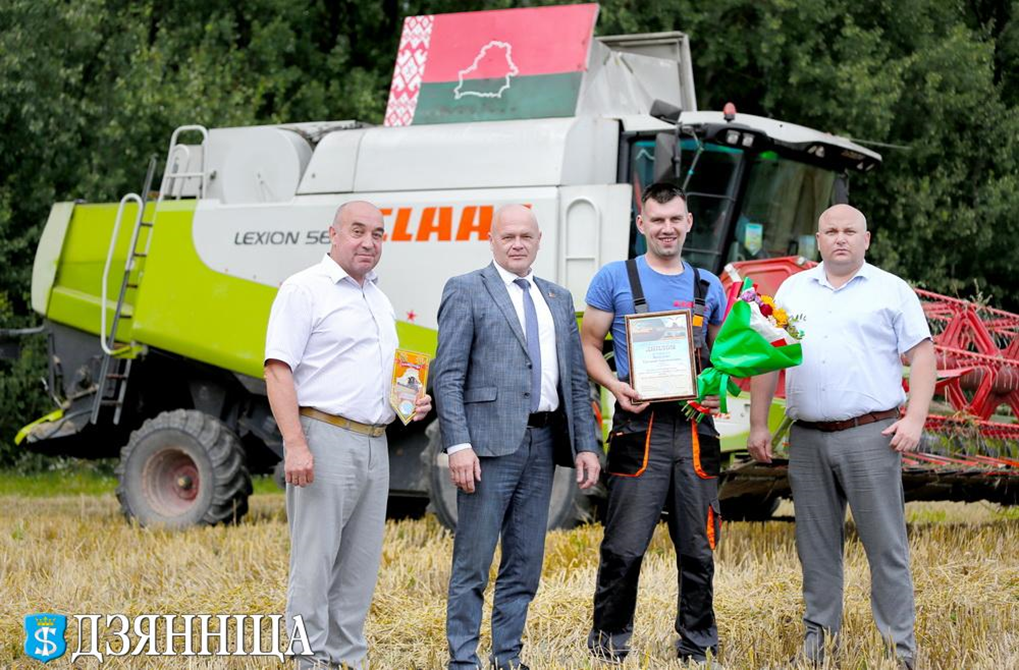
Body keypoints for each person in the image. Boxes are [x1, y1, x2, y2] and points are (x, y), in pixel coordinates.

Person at [747, 204, 936, 670]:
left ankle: (899, 654)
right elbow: (770, 357)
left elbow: (923, 355)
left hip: (871, 435)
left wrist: (914, 419)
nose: (840, 238)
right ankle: (818, 650)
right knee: (815, 550)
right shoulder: (793, 290)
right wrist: (758, 424)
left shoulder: (891, 290)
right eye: (830, 230)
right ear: (818, 239)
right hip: (808, 439)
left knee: (886, 549)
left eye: (850, 230)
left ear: (866, 239)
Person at [264, 200, 432, 670]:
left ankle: (346, 659)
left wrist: (408, 403)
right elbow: (277, 370)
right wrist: (296, 443)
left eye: (378, 234)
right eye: (358, 231)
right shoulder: (304, 289)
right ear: (333, 234)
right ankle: (308, 661)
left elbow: (375, 375)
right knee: (314, 563)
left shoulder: (377, 298)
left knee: (359, 566)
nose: (368, 242)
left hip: (375, 441)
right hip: (324, 436)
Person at [434, 204, 601, 670]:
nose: (517, 244)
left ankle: (507, 657)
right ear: (491, 240)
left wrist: (586, 445)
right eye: (507, 236)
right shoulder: (466, 289)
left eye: (525, 236)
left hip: (543, 444)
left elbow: (575, 382)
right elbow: (447, 375)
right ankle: (463, 661)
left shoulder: (558, 298)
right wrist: (458, 445)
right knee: (473, 563)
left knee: (525, 563)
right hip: (487, 448)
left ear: (539, 240)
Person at [582, 182, 727, 664]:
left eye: (675, 219)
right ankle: (609, 645)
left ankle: (697, 645)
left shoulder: (708, 285)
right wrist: (614, 385)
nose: (667, 228)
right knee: (623, 546)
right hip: (638, 427)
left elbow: (725, 358)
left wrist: (718, 389)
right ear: (641, 224)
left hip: (695, 430)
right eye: (657, 220)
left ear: (688, 223)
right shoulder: (614, 278)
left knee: (698, 547)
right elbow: (588, 345)